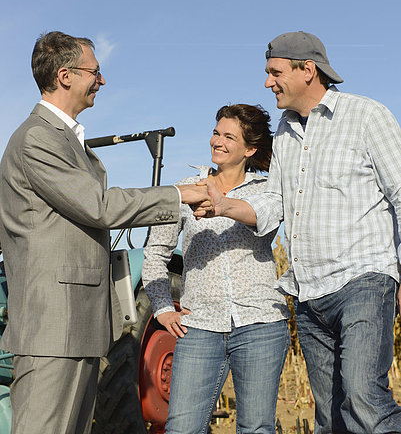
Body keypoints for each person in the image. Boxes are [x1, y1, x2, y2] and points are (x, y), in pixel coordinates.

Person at [0, 31, 209, 434]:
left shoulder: (64, 139)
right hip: (53, 332)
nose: (102, 80)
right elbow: (99, 206)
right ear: (65, 75)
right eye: (95, 71)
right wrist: (178, 194)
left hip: (73, 328)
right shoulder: (39, 138)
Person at [197, 31, 401, 433]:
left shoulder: (366, 116)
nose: (268, 82)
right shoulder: (285, 135)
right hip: (309, 296)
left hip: (363, 279)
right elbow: (275, 203)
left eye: (275, 72)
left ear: (308, 70)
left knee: (364, 400)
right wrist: (223, 206)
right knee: (329, 416)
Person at [142, 103, 290, 434]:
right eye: (215, 132)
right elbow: (155, 252)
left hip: (260, 323)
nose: (217, 141)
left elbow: (262, 219)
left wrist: (223, 207)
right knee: (182, 428)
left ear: (250, 148)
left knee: (255, 428)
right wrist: (163, 307)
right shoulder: (186, 189)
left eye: (229, 137)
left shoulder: (267, 192)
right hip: (200, 326)